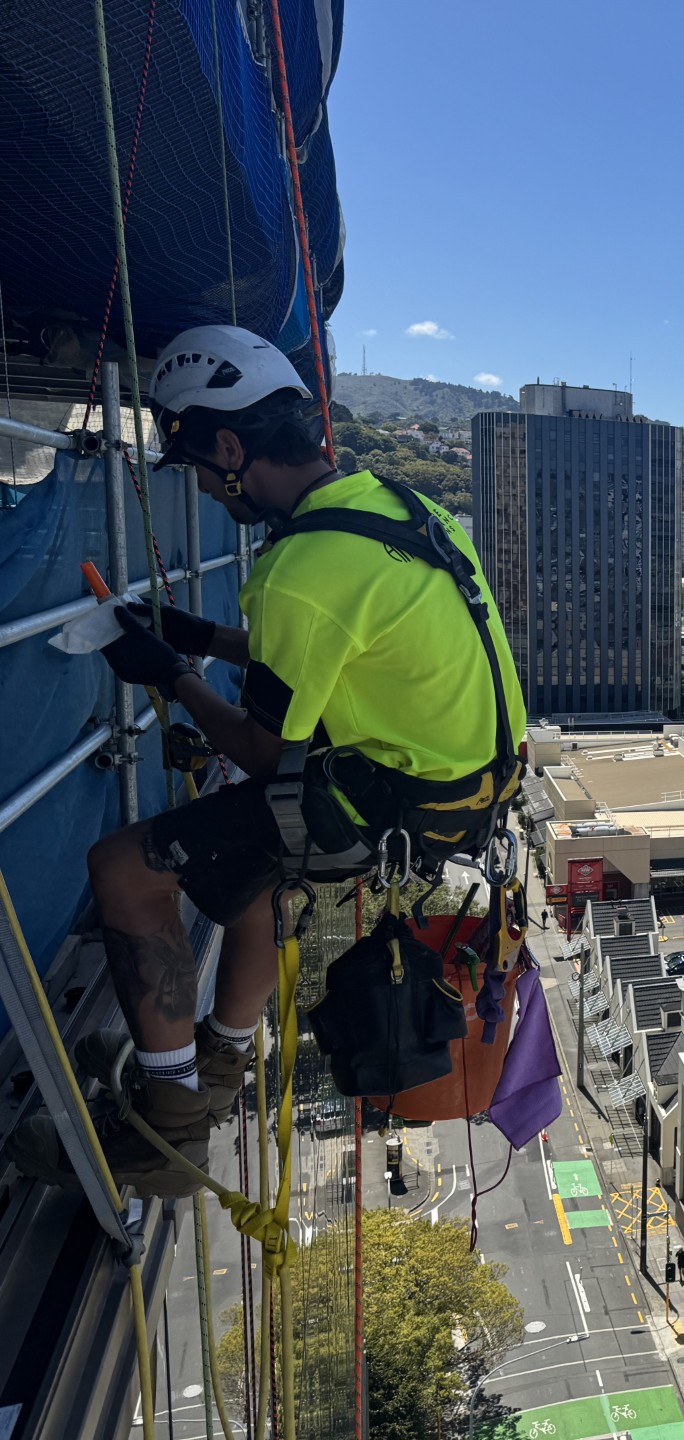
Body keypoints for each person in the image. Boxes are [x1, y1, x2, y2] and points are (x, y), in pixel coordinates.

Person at [8, 325, 525, 1198]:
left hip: (385, 805)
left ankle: (168, 1133)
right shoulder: (398, 509)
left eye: (204, 470)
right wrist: (200, 636)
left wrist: (168, 674)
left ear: (232, 446)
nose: (207, 491)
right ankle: (211, 1065)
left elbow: (258, 745)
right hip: (454, 789)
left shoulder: (300, 568)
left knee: (124, 869)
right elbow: (324, 650)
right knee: (241, 866)